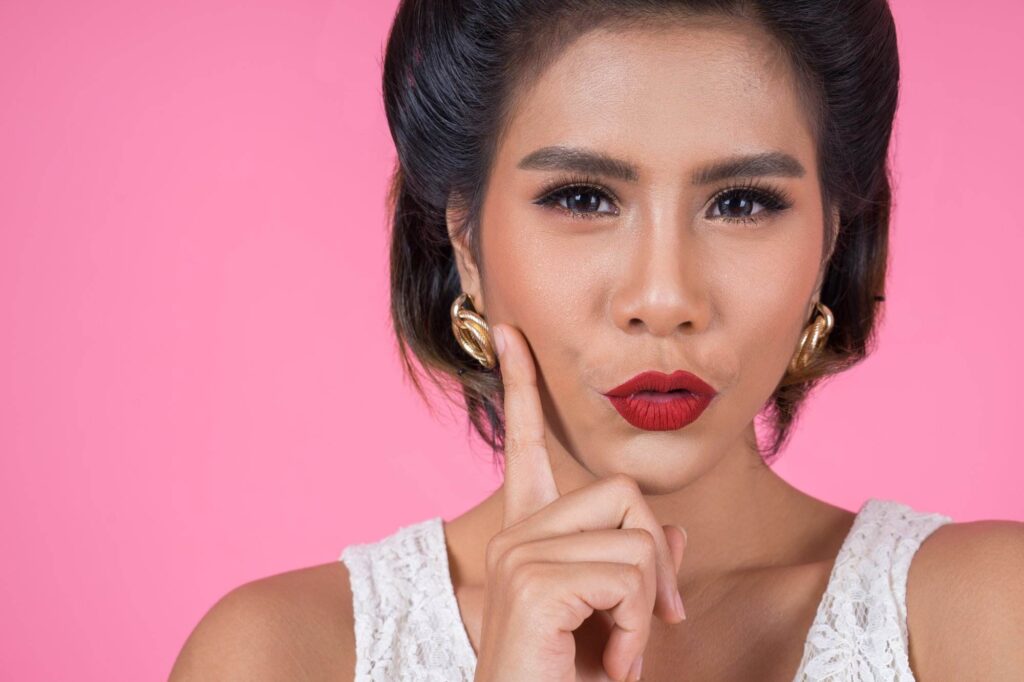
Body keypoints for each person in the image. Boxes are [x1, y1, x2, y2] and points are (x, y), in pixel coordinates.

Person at [170, 0, 1024, 680]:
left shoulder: (987, 619)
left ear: (832, 239)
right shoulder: (285, 656)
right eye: (583, 198)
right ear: (464, 242)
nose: (664, 298)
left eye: (742, 202)